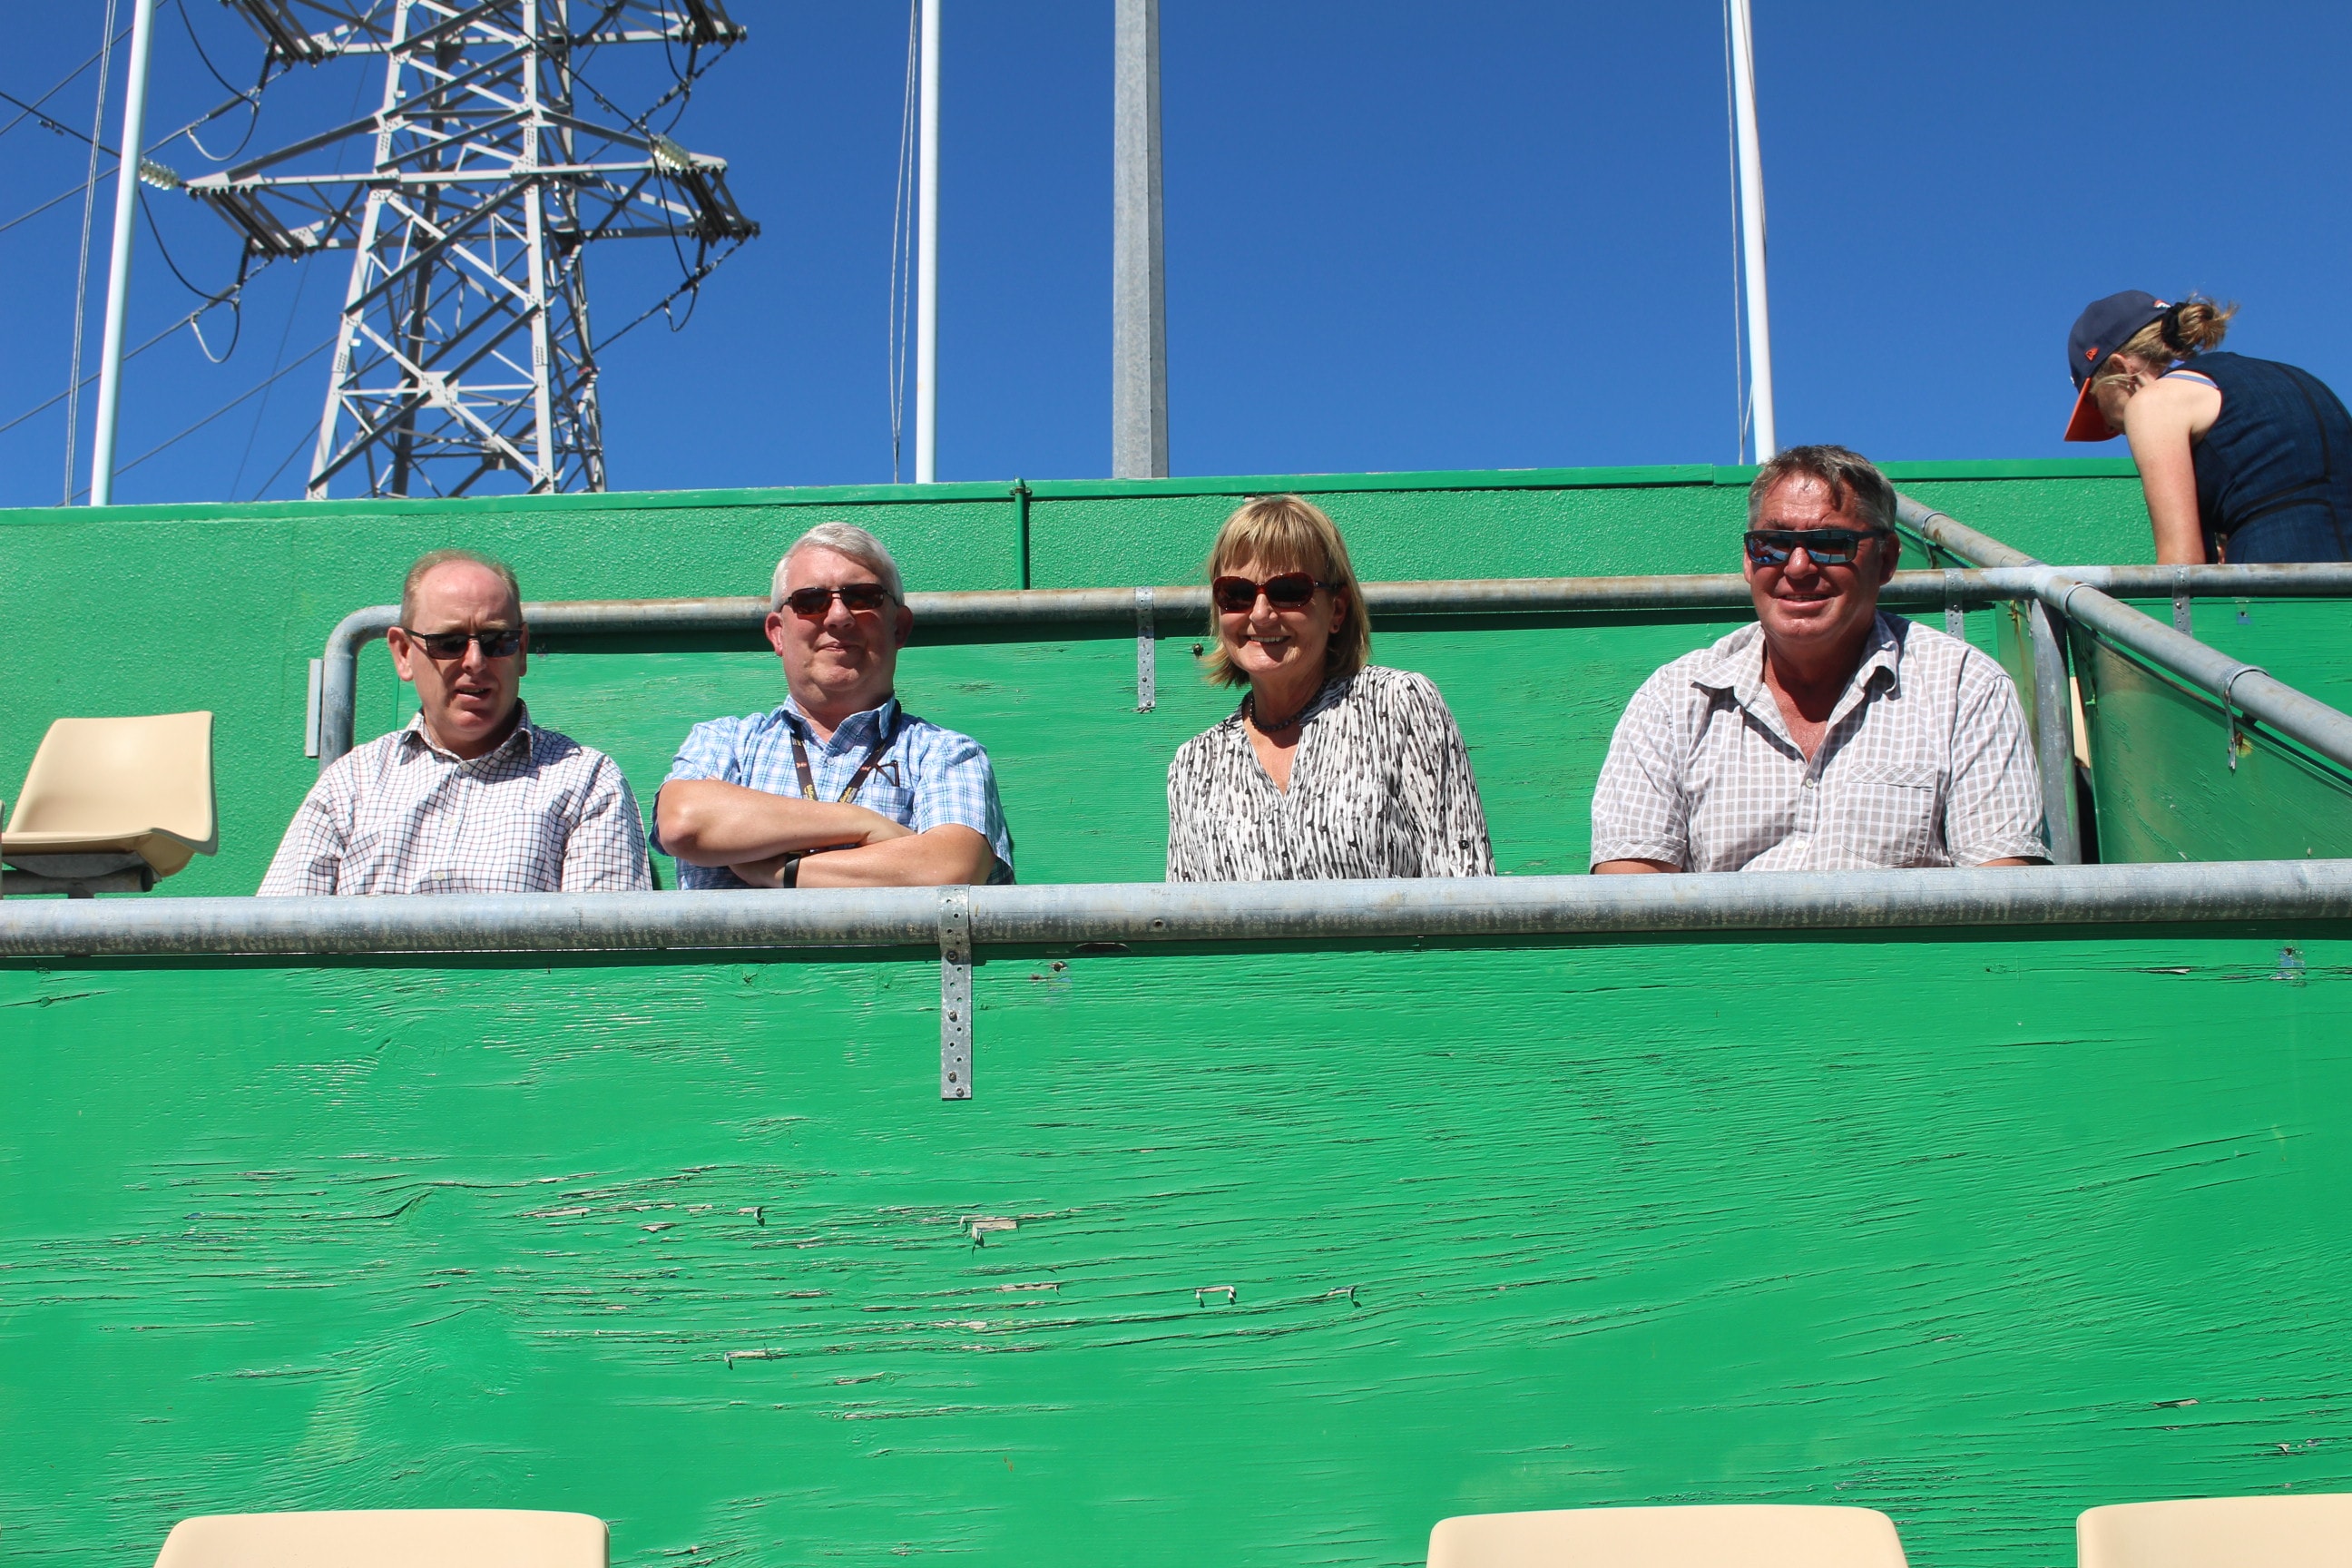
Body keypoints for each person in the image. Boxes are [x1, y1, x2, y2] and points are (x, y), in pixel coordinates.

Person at [1591, 445, 2046, 874]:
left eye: (1831, 543)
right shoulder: (1674, 699)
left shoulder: (1965, 686)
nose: (1798, 567)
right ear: (1750, 561)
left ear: (1886, 560)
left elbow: (2002, 889)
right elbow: (1631, 899)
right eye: (1773, 543)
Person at [260, 549, 652, 895]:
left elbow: (604, 963)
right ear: (402, 653)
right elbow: (275, 940)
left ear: (522, 650)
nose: (475, 662)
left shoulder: (587, 781)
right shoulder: (350, 783)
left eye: (497, 641)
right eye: (449, 643)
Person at [653, 523, 1014, 888]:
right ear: (778, 632)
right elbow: (684, 822)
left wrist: (779, 871)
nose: (838, 616)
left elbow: (949, 868)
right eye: (811, 601)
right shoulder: (726, 740)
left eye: (863, 597)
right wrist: (862, 824)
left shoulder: (947, 753)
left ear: (899, 628)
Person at [1165, 495, 1494, 881]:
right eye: (1236, 593)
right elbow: (1191, 928)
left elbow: (1466, 889)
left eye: (1288, 591)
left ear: (1337, 610)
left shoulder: (1399, 707)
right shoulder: (1194, 765)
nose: (1260, 613)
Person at [2063, 290, 2352, 563]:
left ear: (2120, 368)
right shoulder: (2290, 377)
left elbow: (2181, 567)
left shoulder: (2154, 403)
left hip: (2281, 600)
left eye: (2094, 402)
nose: (2110, 426)